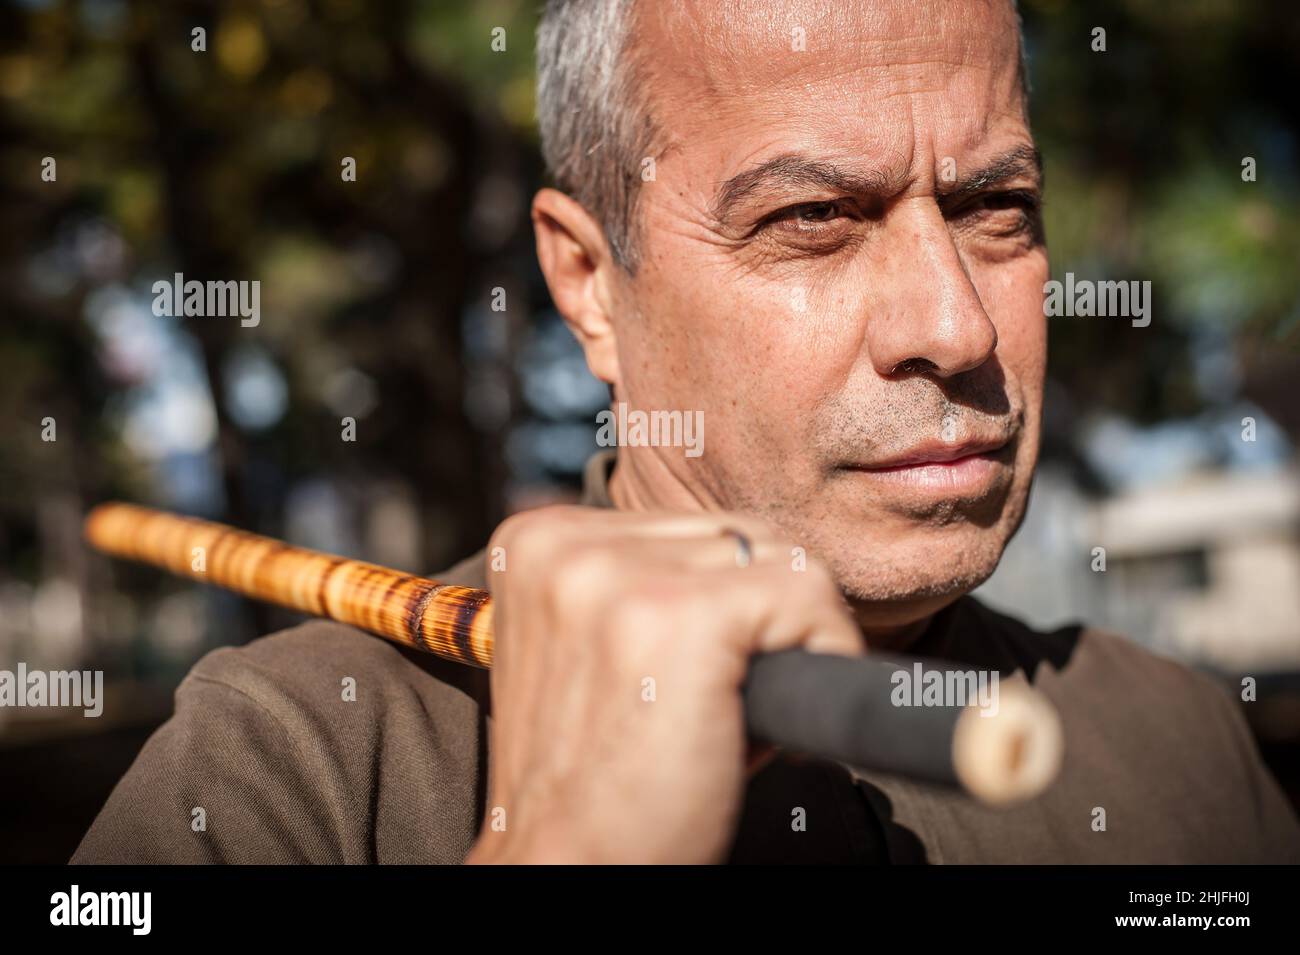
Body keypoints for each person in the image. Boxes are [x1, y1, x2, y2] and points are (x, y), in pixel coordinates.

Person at [73, 0, 1299, 864]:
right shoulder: (293, 775)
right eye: (813, 215)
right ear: (589, 284)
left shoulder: (1174, 744)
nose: (954, 325)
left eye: (996, 207)